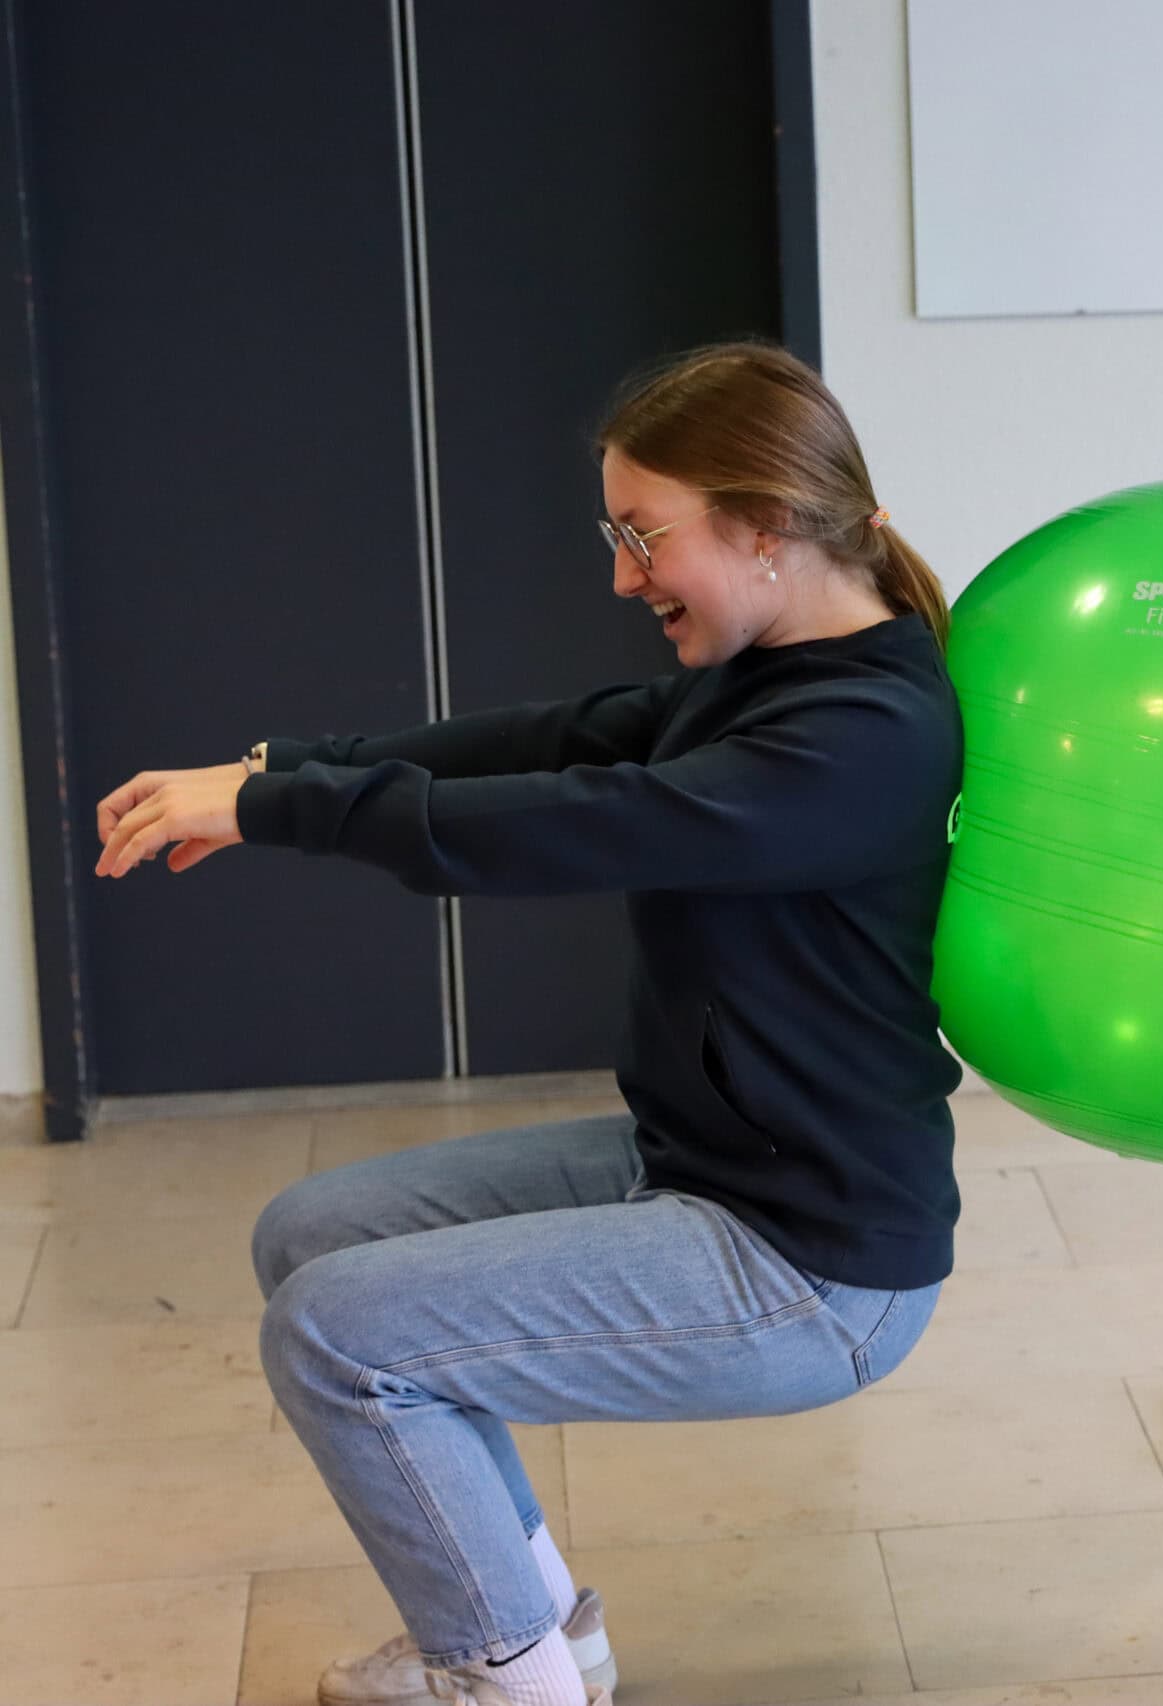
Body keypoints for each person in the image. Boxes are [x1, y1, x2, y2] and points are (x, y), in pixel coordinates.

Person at [93, 343, 963, 1706]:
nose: (622, 576)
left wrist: (279, 811)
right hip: (711, 1158)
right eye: (612, 532)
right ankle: (548, 1618)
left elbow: (575, 823)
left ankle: (507, 1675)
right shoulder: (760, 674)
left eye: (644, 535)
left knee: (337, 1336)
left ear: (772, 525)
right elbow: (547, 742)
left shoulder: (864, 735)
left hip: (815, 1257)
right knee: (310, 1237)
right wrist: (270, 771)